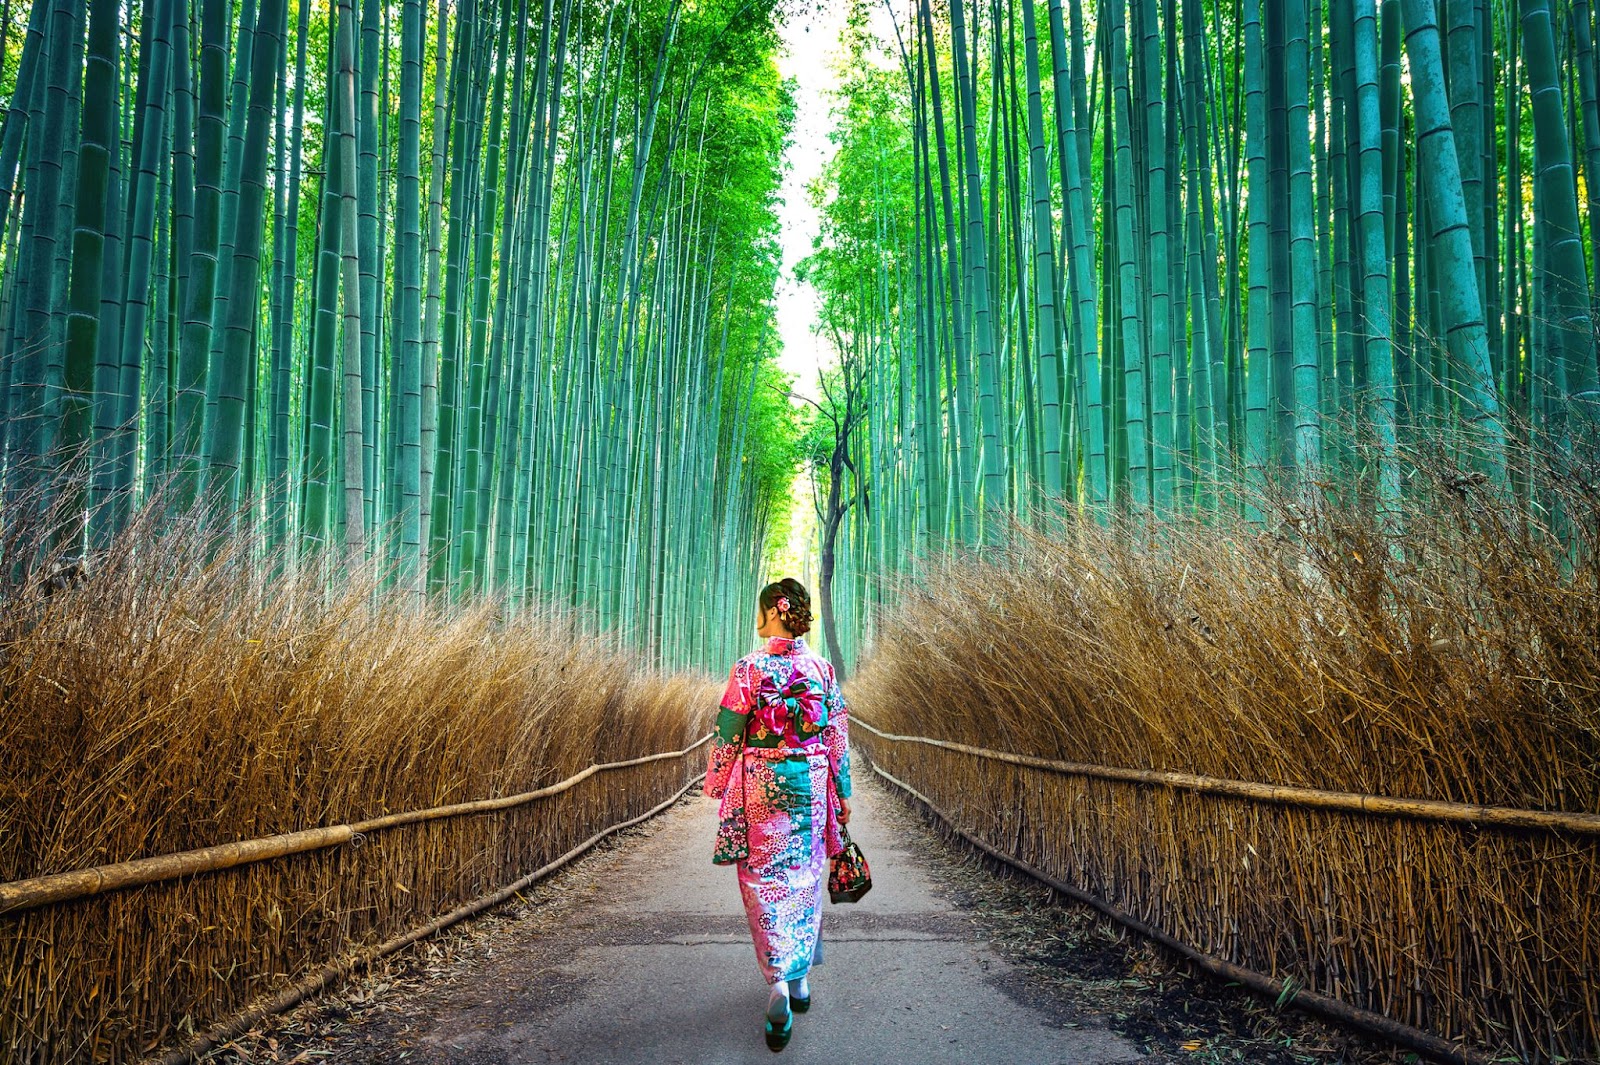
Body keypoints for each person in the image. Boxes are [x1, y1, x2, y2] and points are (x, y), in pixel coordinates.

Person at [704, 578, 852, 1053]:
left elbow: (729, 728)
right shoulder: (822, 669)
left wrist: (716, 780)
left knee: (762, 881)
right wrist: (843, 789)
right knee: (805, 878)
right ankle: (801, 981)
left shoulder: (749, 669)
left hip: (760, 783)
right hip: (808, 781)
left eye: (760, 609)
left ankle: (779, 986)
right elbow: (836, 735)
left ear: (774, 613)